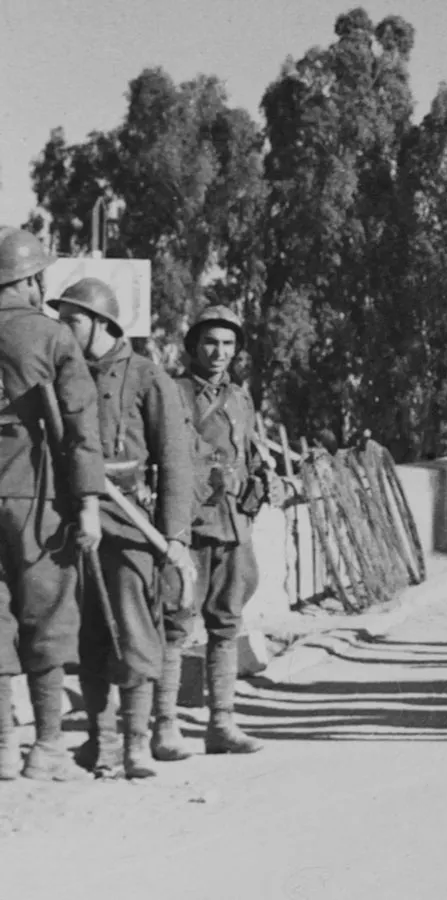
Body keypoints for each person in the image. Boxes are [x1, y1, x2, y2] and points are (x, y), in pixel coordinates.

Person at [53, 278, 196, 778]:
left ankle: (137, 742)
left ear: (102, 323)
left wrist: (175, 535)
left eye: (73, 319)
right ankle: (101, 741)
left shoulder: (146, 376)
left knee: (135, 630)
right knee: (89, 634)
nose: (64, 329)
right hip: (75, 522)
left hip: (132, 523)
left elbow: (176, 460)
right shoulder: (61, 375)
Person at [0, 228, 105, 782]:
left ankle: (1, 751)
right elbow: (82, 426)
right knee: (46, 613)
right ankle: (45, 748)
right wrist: (87, 502)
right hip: (37, 495)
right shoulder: (53, 336)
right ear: (31, 280)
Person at [162, 305, 277, 757]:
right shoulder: (172, 392)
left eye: (228, 344)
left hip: (231, 525)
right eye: (210, 342)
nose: (219, 352)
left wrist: (257, 488)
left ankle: (222, 723)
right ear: (193, 346)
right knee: (174, 622)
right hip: (186, 525)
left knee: (227, 623)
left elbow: (248, 455)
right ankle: (165, 724)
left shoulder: (241, 398)